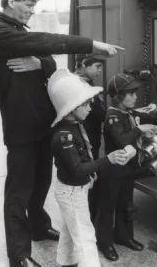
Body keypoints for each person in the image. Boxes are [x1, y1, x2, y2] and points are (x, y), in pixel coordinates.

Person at [0, 0, 124, 267]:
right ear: (11, 0)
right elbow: (46, 42)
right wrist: (91, 43)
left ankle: (38, 226)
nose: (32, 9)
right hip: (21, 129)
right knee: (18, 194)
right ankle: (19, 255)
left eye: (35, 3)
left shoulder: (19, 32)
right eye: (28, 2)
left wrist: (39, 64)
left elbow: (50, 62)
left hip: (44, 124)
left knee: (41, 183)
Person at [48, 69, 136, 267]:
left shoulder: (75, 125)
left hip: (73, 190)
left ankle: (65, 263)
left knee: (69, 232)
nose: (90, 108)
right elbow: (77, 169)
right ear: (70, 108)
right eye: (85, 104)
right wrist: (108, 159)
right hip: (71, 191)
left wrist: (93, 174)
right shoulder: (65, 135)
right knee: (86, 237)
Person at [96, 73, 157, 261]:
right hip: (112, 171)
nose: (135, 96)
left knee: (125, 205)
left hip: (127, 170)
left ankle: (124, 237)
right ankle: (105, 243)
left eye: (135, 92)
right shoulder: (113, 116)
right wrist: (140, 129)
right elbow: (122, 140)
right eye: (131, 93)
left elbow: (140, 116)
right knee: (108, 208)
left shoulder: (127, 112)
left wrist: (151, 111)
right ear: (118, 97)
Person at [74, 53, 107, 225]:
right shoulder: (80, 86)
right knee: (87, 184)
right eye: (97, 67)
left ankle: (89, 221)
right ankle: (88, 225)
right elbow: (98, 113)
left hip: (89, 142)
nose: (100, 71)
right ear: (84, 66)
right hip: (84, 144)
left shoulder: (84, 83)